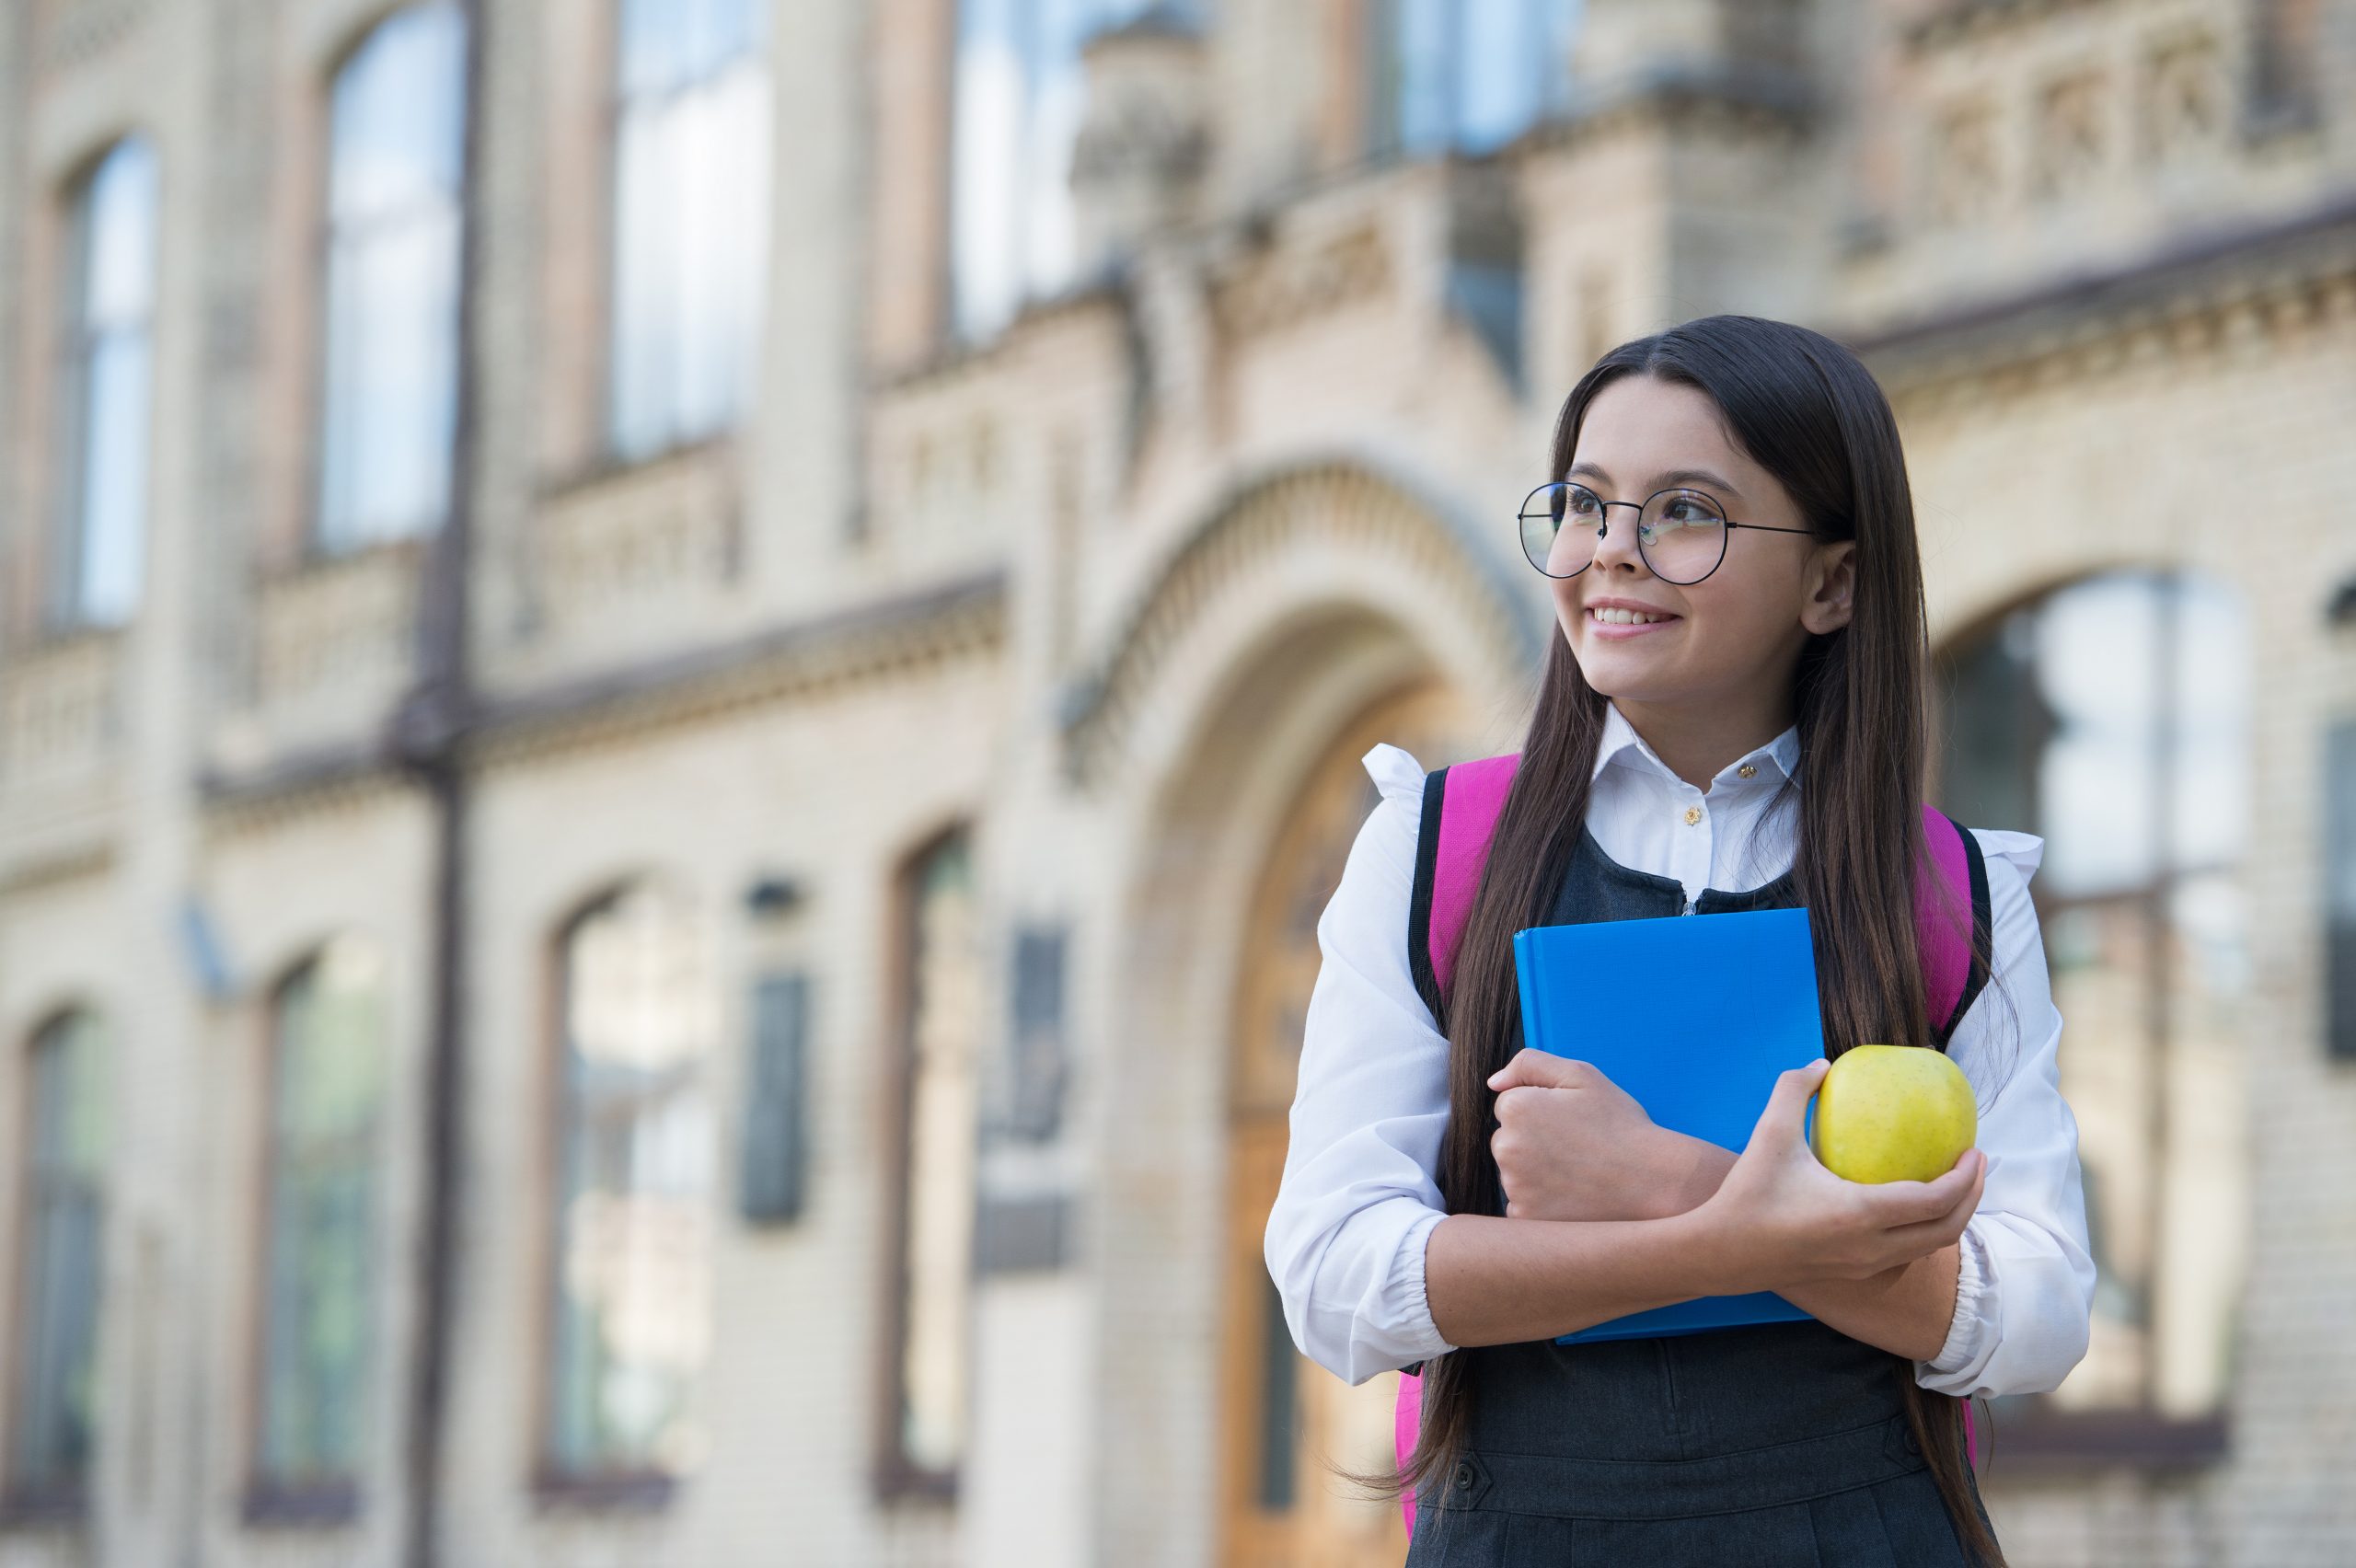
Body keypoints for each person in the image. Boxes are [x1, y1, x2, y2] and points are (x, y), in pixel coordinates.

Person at [1262, 315, 2096, 1566]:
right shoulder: (1433, 848)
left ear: (1833, 582)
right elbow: (1336, 1281)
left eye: (1686, 512)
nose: (1613, 555)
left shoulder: (1957, 893)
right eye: (1588, 505)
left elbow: (2036, 1313)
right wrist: (1739, 1242)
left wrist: (1662, 1182)